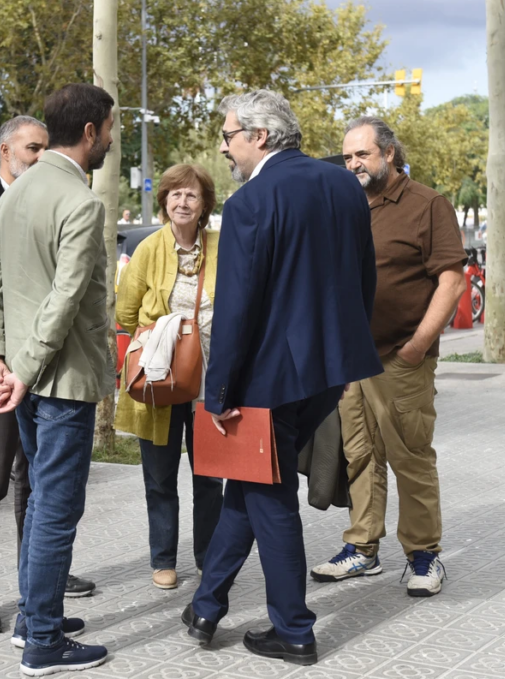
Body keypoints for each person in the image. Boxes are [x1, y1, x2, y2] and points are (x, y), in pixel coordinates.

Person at [182, 90, 382, 666]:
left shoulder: (251, 200)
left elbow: (237, 306)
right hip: (329, 368)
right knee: (251, 484)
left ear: (260, 136)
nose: (224, 147)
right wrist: (347, 354)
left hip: (270, 376)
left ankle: (293, 630)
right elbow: (363, 278)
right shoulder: (343, 184)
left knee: (268, 497)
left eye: (228, 136)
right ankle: (205, 607)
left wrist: (219, 391)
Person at [0, 83, 115, 676]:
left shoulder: (17, 191)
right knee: (56, 509)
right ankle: (45, 643)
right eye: (110, 129)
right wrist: (25, 371)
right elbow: (66, 297)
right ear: (89, 132)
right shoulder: (80, 201)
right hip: (58, 379)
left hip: (23, 377)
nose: (111, 140)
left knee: (39, 505)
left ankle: (33, 619)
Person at [0, 115, 95, 635]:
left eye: (44, 147)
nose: (40, 155)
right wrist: (0, 357)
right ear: (5, 152)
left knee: (33, 482)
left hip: (39, 368)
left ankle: (38, 589)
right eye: (32, 148)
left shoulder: (43, 198)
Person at [311, 117, 467, 598]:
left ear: (389, 154)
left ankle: (424, 555)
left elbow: (451, 281)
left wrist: (417, 346)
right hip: (351, 360)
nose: (353, 164)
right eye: (347, 157)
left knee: (410, 457)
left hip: (399, 358)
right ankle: (363, 547)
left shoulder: (427, 204)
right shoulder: (345, 205)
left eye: (362, 154)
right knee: (359, 456)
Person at [115, 163, 223, 590]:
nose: (182, 201)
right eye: (175, 194)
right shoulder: (148, 248)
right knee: (159, 477)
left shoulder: (222, 246)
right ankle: (163, 559)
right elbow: (126, 312)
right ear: (164, 201)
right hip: (159, 379)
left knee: (210, 476)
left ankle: (209, 557)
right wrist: (164, 340)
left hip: (210, 380)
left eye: (191, 195)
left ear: (204, 205)